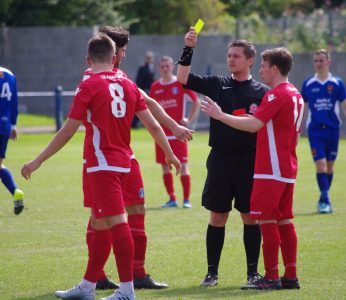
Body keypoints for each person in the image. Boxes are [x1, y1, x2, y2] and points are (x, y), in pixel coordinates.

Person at [21, 33, 181, 300]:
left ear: (88, 59)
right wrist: (170, 153)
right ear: (114, 57)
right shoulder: (128, 84)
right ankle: (87, 286)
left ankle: (127, 291)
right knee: (100, 223)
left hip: (102, 164)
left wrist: (38, 160)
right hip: (125, 162)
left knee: (117, 223)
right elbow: (152, 123)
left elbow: (67, 131)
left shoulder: (89, 85)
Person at [83, 26, 193, 290]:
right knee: (101, 219)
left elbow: (148, 103)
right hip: (99, 159)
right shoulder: (93, 76)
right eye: (123, 49)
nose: (125, 53)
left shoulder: (119, 75)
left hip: (125, 158)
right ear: (114, 50)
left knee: (137, 209)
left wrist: (174, 127)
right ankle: (95, 277)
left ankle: (138, 273)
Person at [201, 47, 303, 290]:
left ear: (275, 69)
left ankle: (270, 276)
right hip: (288, 168)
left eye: (264, 66)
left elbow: (254, 124)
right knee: (285, 222)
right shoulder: (296, 94)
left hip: (270, 168)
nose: (261, 71)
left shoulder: (275, 95)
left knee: (266, 222)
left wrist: (219, 115)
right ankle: (290, 276)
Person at [177, 27, 268, 288]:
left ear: (250, 60)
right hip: (220, 159)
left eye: (237, 56)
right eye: (229, 55)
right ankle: (211, 273)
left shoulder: (261, 91)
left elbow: (259, 124)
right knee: (217, 216)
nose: (231, 59)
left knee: (250, 216)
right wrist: (189, 47)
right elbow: (182, 78)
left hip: (249, 160)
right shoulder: (218, 84)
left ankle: (253, 273)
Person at [150, 56, 200, 208]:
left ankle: (186, 200)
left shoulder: (180, 83)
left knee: (183, 165)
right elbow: (150, 108)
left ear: (172, 67)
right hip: (162, 134)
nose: (165, 68)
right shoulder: (155, 87)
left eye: (168, 66)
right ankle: (172, 199)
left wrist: (188, 120)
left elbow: (196, 101)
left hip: (178, 133)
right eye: (162, 66)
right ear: (159, 68)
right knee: (165, 166)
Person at [301, 49, 346, 214]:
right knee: (321, 164)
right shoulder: (308, 84)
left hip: (333, 130)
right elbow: (303, 109)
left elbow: (344, 106)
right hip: (315, 131)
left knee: (330, 166)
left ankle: (323, 197)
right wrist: (297, 127)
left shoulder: (337, 83)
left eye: (321, 60)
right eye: (316, 61)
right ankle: (326, 200)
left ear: (328, 62)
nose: (318, 63)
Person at [0, 65, 24, 215]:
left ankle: (15, 190)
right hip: (4, 126)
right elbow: (15, 102)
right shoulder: (9, 74)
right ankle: (15, 191)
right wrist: (13, 124)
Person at [133, 51, 156, 128]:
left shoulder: (152, 68)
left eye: (150, 58)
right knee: (140, 107)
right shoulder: (142, 68)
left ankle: (147, 124)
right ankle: (134, 124)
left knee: (149, 108)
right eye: (148, 58)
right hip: (143, 90)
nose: (149, 59)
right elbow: (139, 80)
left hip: (150, 91)